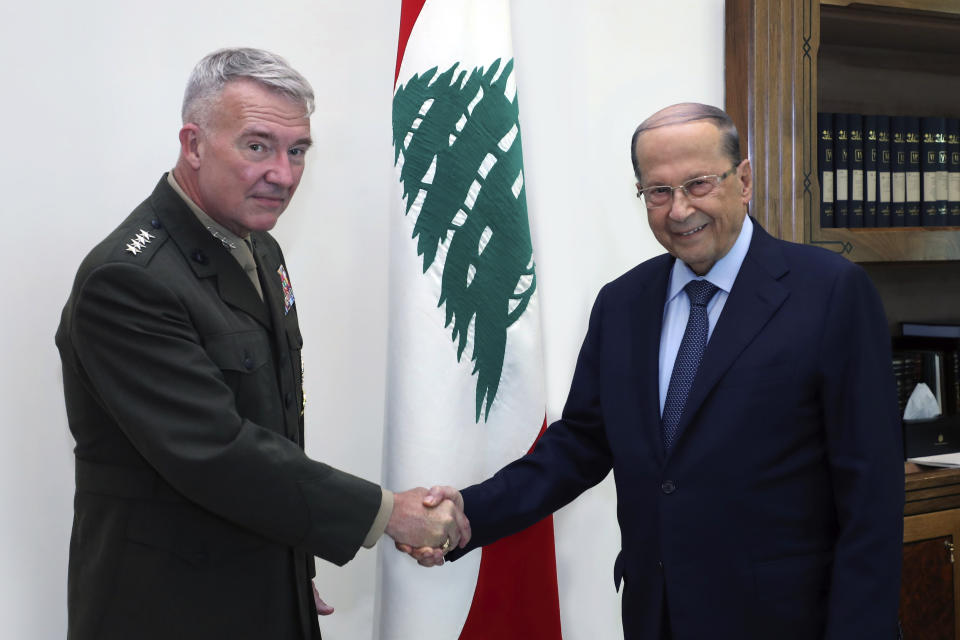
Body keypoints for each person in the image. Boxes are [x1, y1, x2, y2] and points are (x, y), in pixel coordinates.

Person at [406, 103, 904, 639]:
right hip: (656, 616)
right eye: (658, 192)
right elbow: (580, 444)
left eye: (698, 184)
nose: (679, 209)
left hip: (786, 621)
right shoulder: (622, 304)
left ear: (744, 180)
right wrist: (466, 514)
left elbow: (871, 495)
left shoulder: (830, 292)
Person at [56, 47, 467, 640]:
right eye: (257, 146)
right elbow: (217, 451)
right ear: (193, 144)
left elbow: (270, 426)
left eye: (297, 151)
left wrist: (286, 566)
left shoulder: (255, 245)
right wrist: (388, 514)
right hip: (166, 608)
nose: (283, 173)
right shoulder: (129, 280)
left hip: (259, 583)